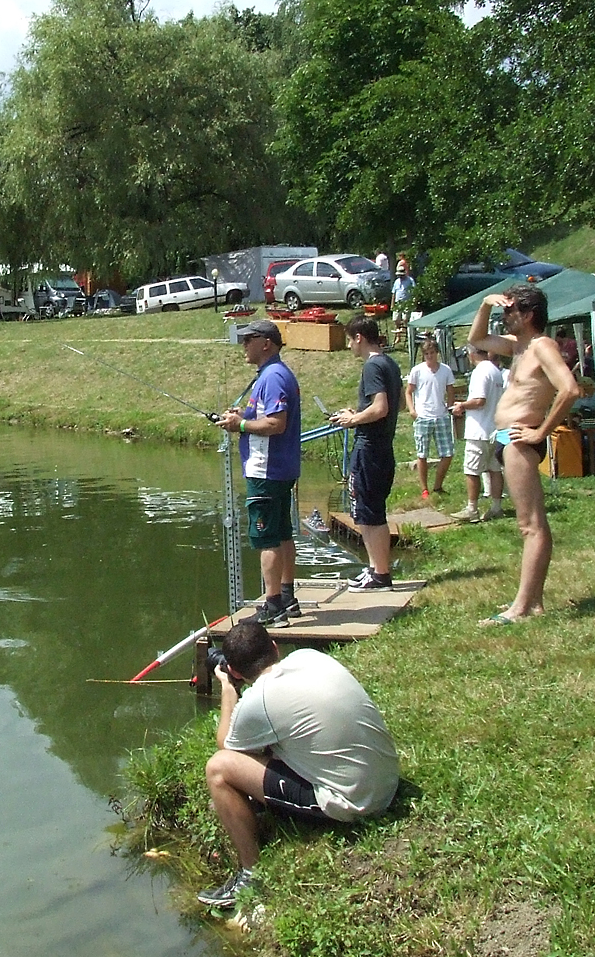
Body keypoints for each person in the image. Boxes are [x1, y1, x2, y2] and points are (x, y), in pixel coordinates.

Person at [198, 621, 399, 908]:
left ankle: (251, 875)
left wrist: (228, 693)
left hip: (357, 801)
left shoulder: (259, 701)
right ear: (275, 648)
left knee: (218, 768)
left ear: (236, 672)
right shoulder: (310, 657)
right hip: (388, 778)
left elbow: (227, 747)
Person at [468, 285, 581, 625]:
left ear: (528, 315)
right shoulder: (519, 346)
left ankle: (521, 607)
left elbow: (570, 389)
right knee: (531, 524)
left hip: (521, 439)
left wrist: (541, 431)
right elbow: (477, 339)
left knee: (530, 526)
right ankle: (534, 602)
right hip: (508, 437)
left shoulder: (543, 346)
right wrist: (486, 303)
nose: (505, 315)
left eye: (510, 310)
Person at [216, 319, 302, 625]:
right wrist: (243, 416)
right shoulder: (271, 375)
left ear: (266, 343)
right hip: (279, 468)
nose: (244, 344)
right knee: (282, 533)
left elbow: (276, 424)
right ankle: (288, 597)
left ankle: (273, 604)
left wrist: (238, 425)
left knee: (266, 537)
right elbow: (263, 416)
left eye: (248, 339)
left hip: (267, 470)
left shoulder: (273, 377)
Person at [332, 317, 402, 591]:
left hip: (370, 448)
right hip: (382, 447)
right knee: (372, 510)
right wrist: (356, 414)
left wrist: (353, 420)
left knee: (368, 511)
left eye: (350, 339)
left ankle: (380, 575)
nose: (350, 345)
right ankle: (376, 568)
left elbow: (380, 408)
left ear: (359, 337)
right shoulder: (389, 363)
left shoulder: (372, 365)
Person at [450, 345, 505, 522]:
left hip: (479, 429)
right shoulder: (495, 370)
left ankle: (472, 508)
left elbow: (480, 400)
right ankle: (496, 507)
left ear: (472, 353)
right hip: (495, 427)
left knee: (472, 470)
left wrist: (462, 405)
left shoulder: (480, 371)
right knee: (494, 469)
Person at [405, 338, 456, 499]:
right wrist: (412, 410)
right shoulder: (417, 370)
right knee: (422, 454)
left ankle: (438, 486)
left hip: (441, 415)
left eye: (432, 353)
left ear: (437, 353)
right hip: (423, 416)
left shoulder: (445, 370)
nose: (429, 356)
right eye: (426, 354)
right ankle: (424, 488)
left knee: (447, 453)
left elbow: (451, 390)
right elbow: (408, 391)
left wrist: (449, 407)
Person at [390, 261, 415, 346]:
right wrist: (392, 304)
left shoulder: (410, 280)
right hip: (398, 303)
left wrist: (414, 301)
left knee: (405, 319)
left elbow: (414, 291)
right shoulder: (396, 281)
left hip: (407, 303)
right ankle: (398, 336)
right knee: (396, 319)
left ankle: (408, 335)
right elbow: (394, 293)